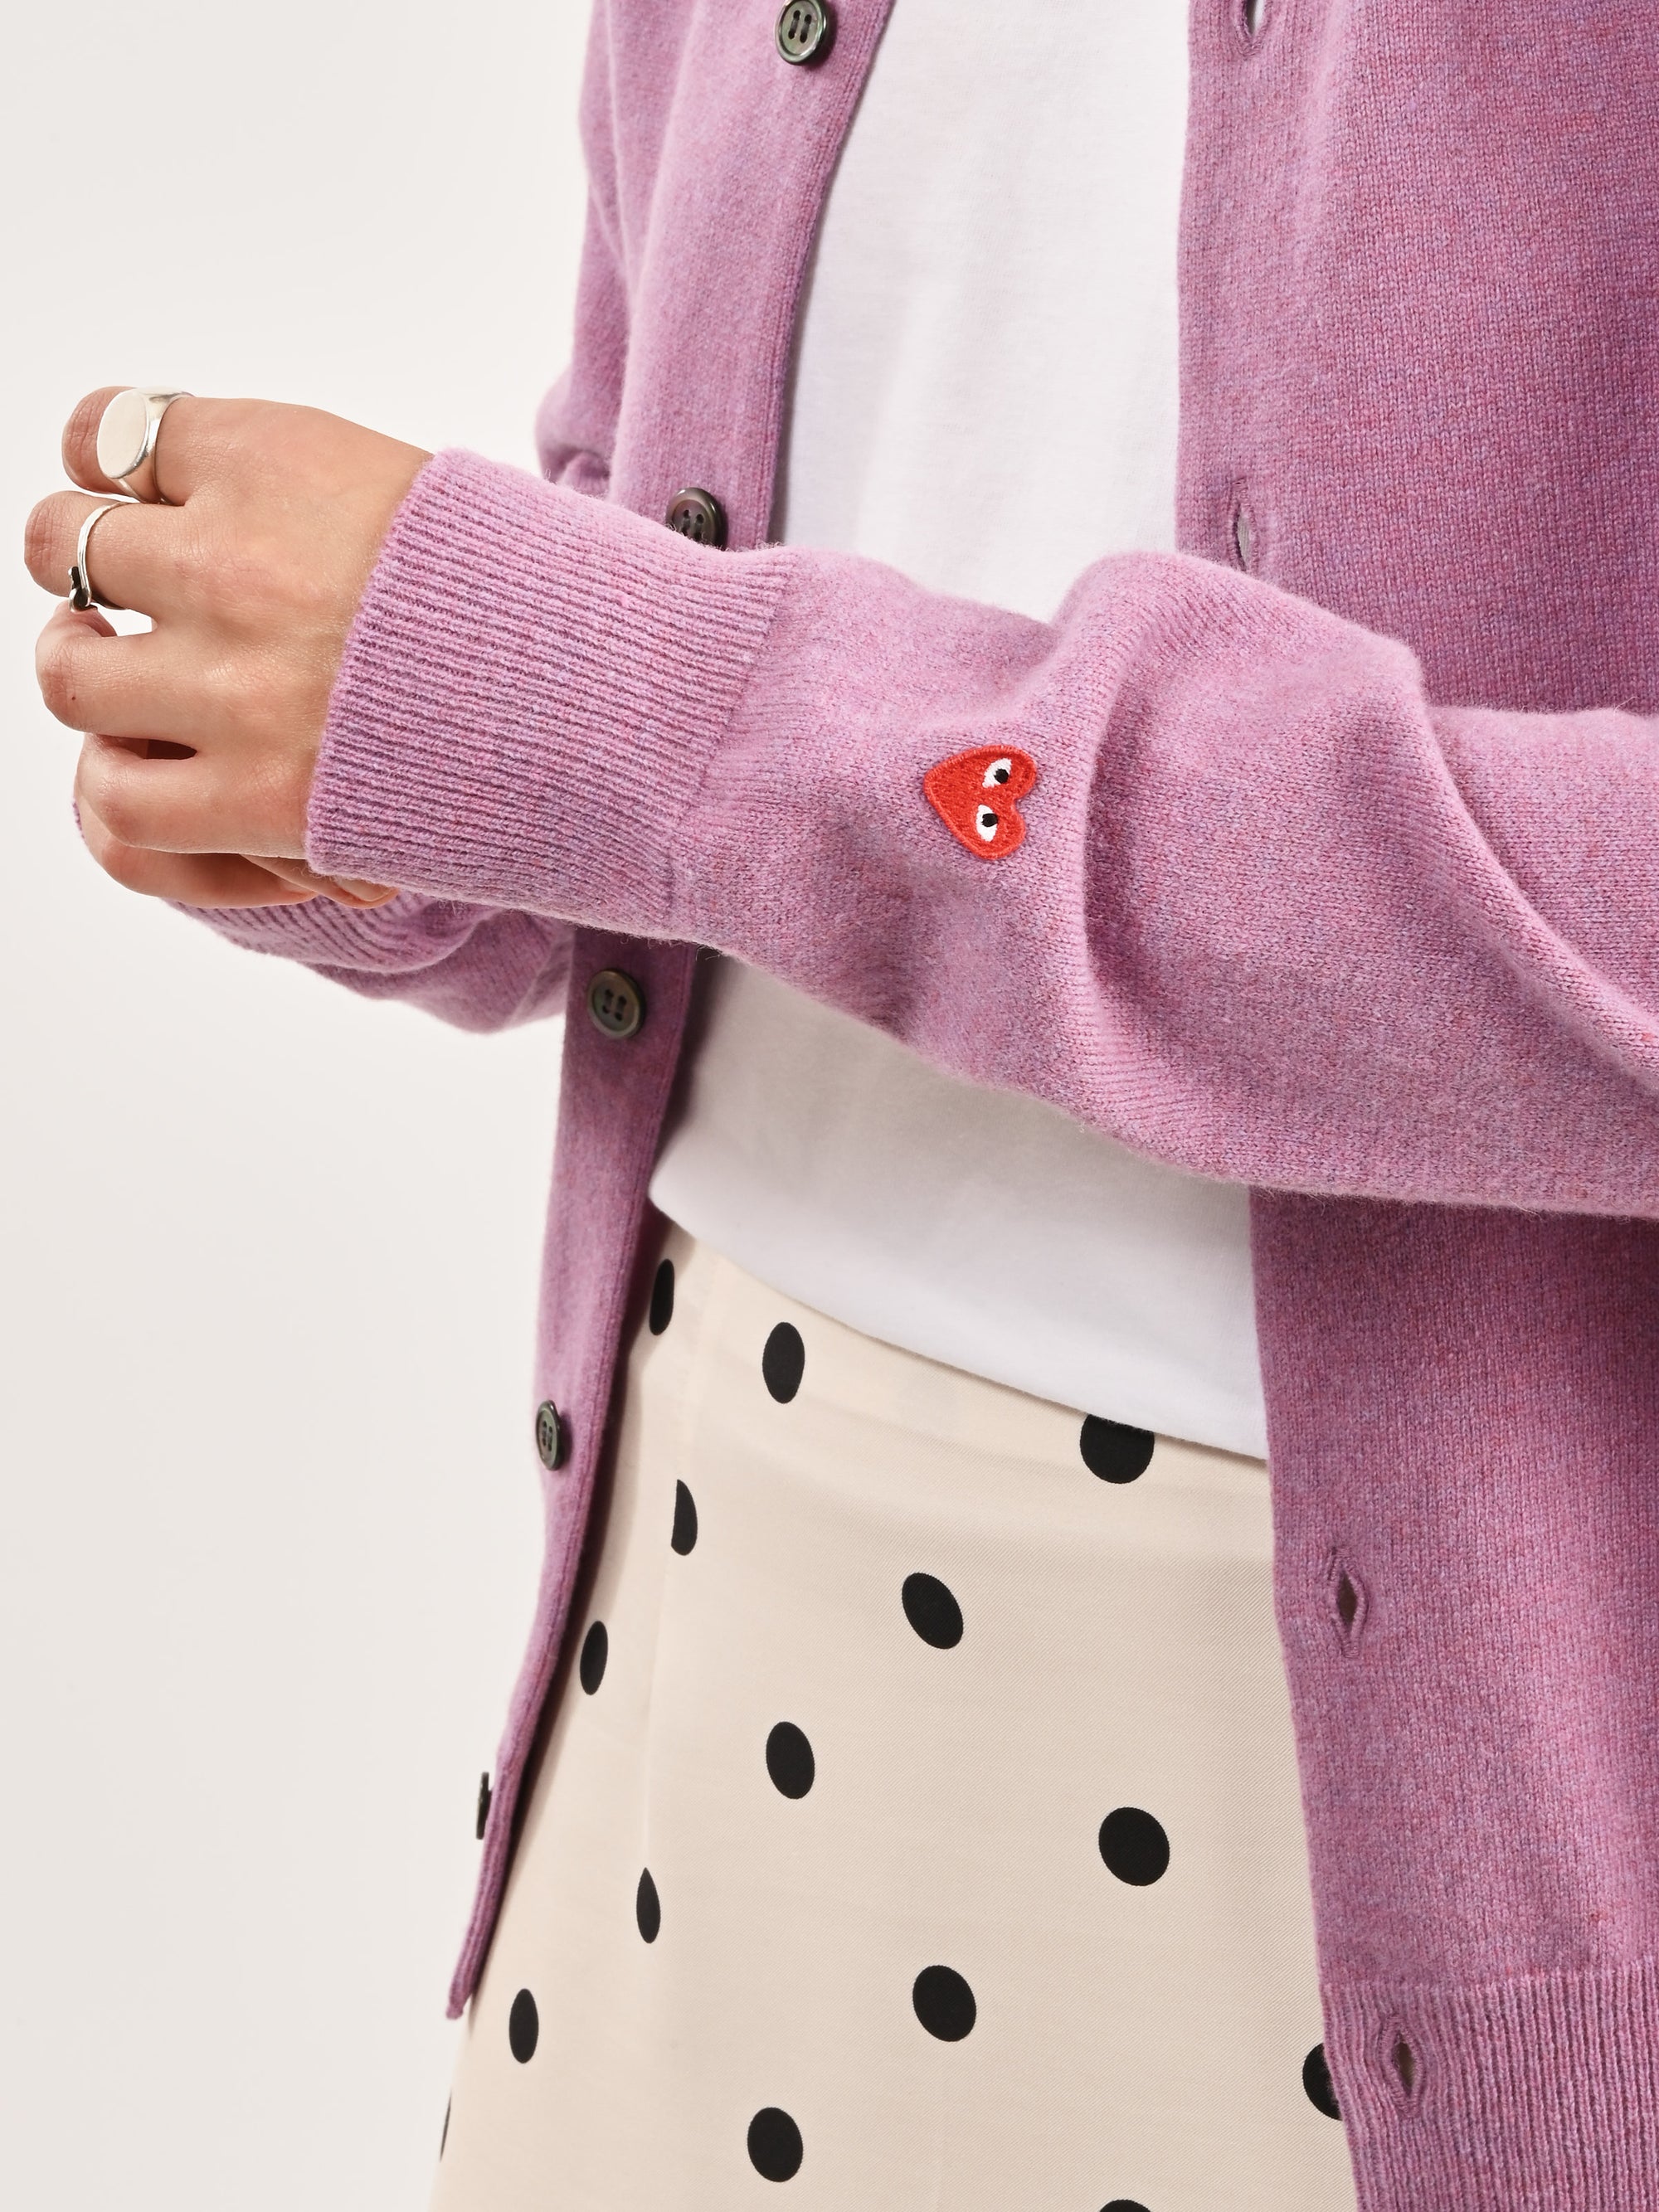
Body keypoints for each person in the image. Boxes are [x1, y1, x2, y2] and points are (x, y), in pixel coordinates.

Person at [24, 2, 1659, 2205]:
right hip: (671, 1654)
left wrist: (633, 713)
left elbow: (712, 722)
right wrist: (399, 762)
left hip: (1406, 1868)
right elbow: (692, 656)